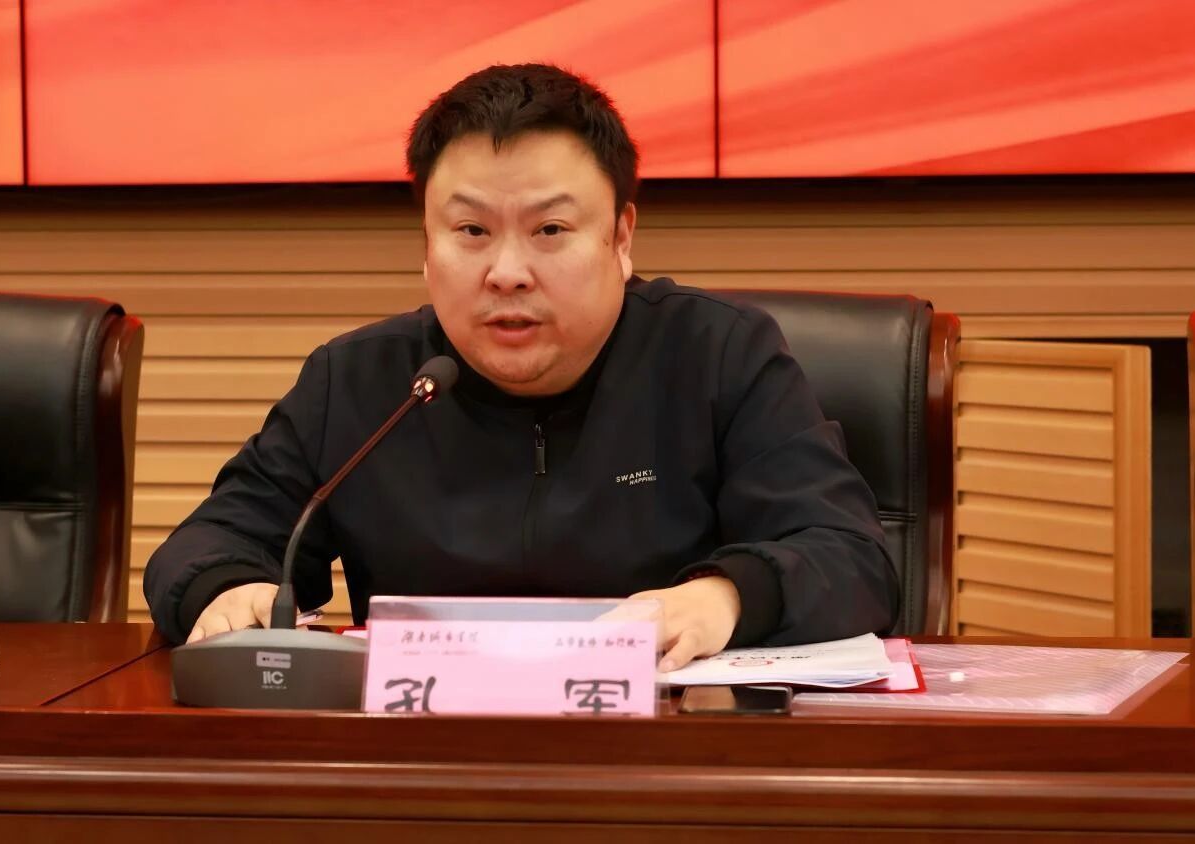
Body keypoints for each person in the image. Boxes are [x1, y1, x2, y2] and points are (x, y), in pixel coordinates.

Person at [144, 63, 899, 671]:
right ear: (426, 247)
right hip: (423, 765)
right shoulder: (362, 382)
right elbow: (208, 544)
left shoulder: (717, 355)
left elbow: (852, 558)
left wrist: (723, 597)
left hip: (665, 760)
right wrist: (226, 589)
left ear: (621, 238)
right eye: (471, 230)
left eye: (550, 230)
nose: (507, 272)